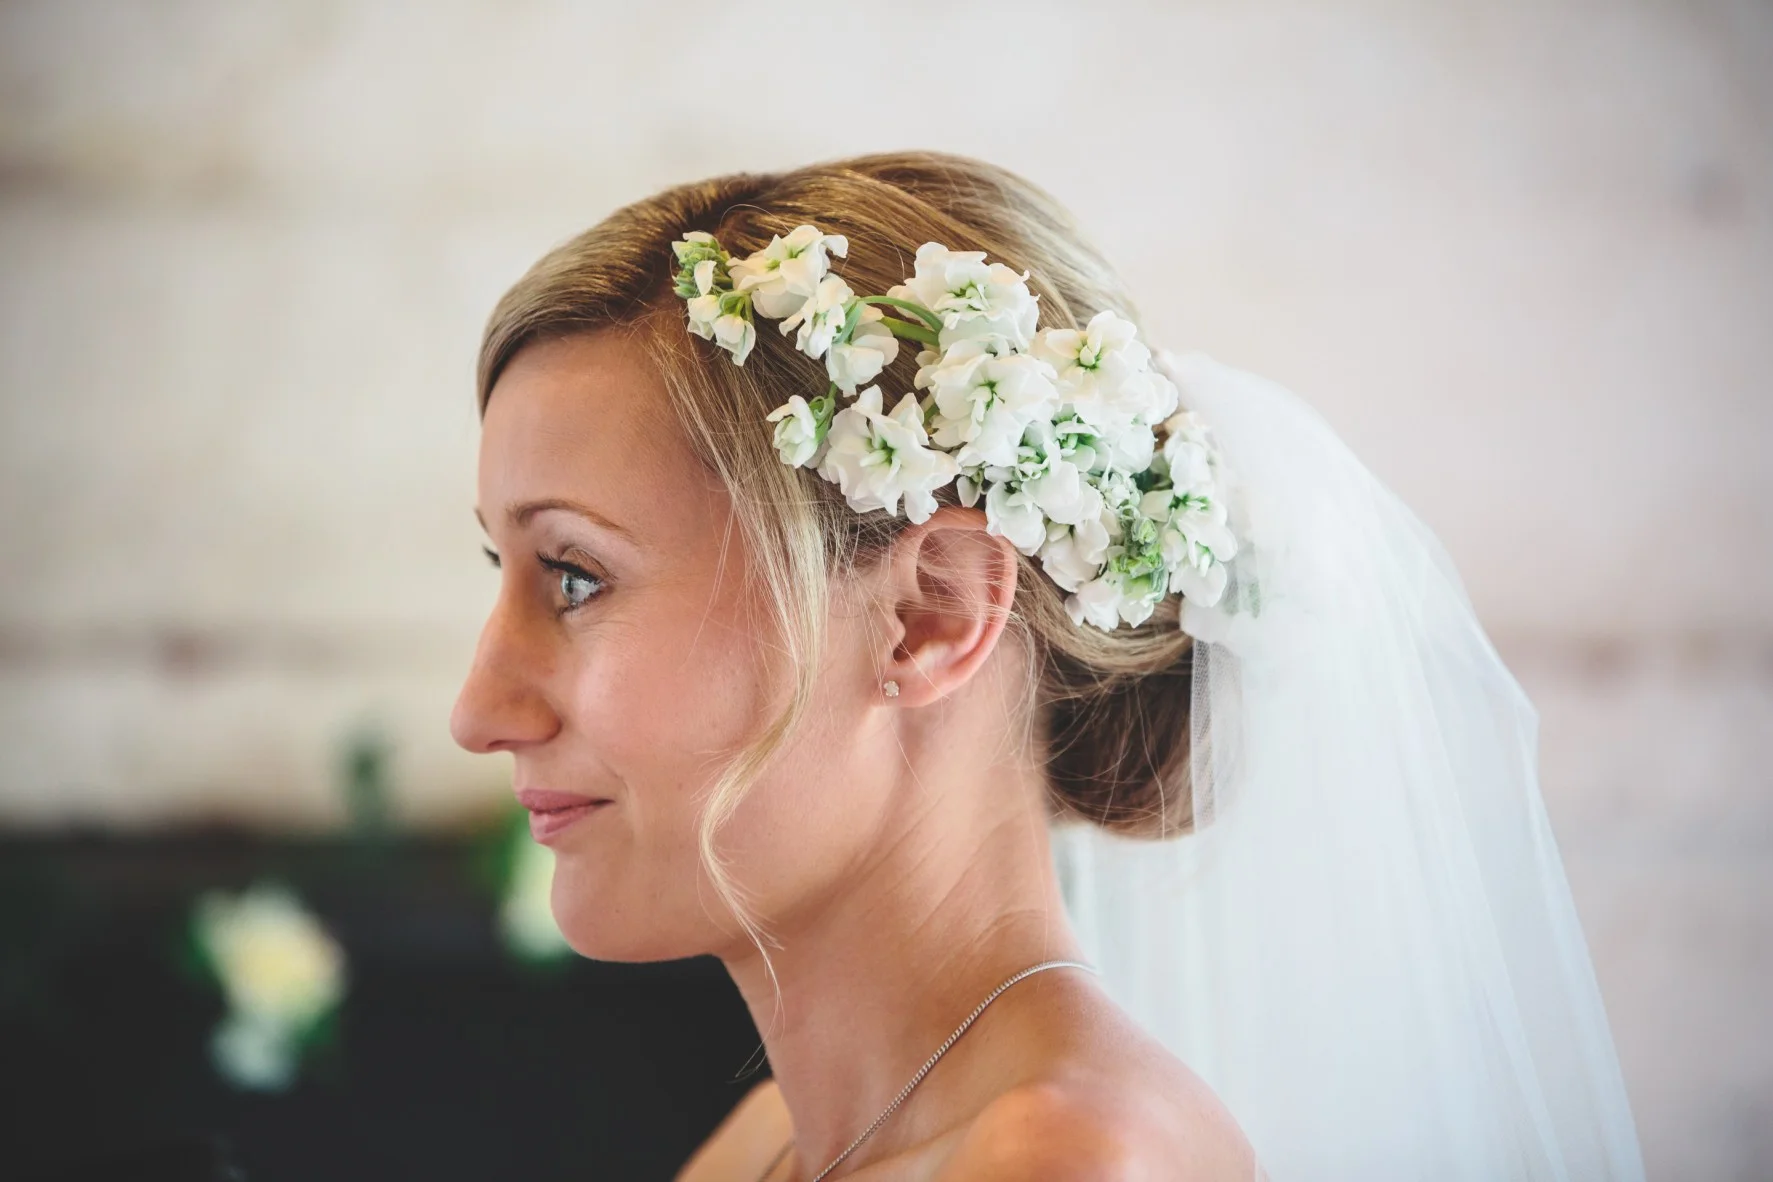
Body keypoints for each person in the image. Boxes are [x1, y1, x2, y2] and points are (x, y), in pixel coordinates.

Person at [449, 151, 1644, 1181]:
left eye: (576, 577)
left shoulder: (1064, 1162)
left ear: (929, 616)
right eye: (504, 567)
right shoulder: (769, 1148)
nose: (477, 710)